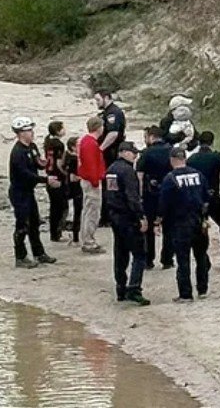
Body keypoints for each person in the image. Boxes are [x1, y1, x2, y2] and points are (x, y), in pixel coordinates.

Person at [158, 147, 211, 302]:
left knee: (183, 259)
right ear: (185, 158)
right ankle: (202, 289)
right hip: (199, 221)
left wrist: (158, 220)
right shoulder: (198, 174)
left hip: (180, 223)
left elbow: (164, 202)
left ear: (172, 160)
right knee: (201, 256)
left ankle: (185, 294)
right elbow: (206, 197)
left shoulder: (170, 178)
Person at [103, 141, 150, 305]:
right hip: (128, 217)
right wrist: (141, 216)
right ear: (122, 152)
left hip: (115, 215)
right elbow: (133, 197)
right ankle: (134, 288)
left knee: (120, 253)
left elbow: (108, 194)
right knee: (139, 254)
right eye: (132, 152)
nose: (135, 156)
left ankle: (120, 288)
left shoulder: (111, 169)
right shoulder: (127, 171)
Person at [8, 117, 58, 268]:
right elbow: (25, 174)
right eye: (28, 130)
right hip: (19, 192)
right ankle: (20, 256)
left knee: (34, 222)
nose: (31, 133)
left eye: (31, 130)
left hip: (29, 192)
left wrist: (45, 163)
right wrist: (45, 180)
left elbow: (38, 163)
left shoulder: (32, 147)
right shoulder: (17, 153)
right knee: (22, 224)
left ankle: (39, 253)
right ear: (20, 133)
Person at [187, 130, 220, 266]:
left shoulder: (192, 159)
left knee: (201, 229)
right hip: (214, 198)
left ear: (199, 142)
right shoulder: (215, 157)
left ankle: (203, 259)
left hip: (197, 199)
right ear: (212, 142)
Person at [135, 126, 173, 269]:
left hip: (150, 193)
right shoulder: (171, 151)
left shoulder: (146, 153)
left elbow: (139, 176)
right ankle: (167, 259)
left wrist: (139, 195)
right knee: (169, 227)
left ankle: (148, 259)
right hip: (169, 194)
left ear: (151, 137)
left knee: (148, 227)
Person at [97, 90, 127, 227]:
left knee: (110, 183)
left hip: (111, 153)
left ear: (106, 98)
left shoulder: (113, 113)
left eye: (98, 100)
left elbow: (113, 134)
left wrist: (100, 149)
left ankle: (109, 215)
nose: (96, 103)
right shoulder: (107, 113)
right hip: (109, 152)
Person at [77, 116, 107, 254]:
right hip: (91, 180)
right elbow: (91, 164)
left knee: (88, 210)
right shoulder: (90, 143)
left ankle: (86, 238)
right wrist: (95, 180)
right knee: (92, 211)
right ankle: (88, 241)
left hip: (88, 179)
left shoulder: (86, 141)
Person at [43, 121, 69, 242]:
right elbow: (59, 163)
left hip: (49, 174)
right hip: (57, 177)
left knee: (54, 206)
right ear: (58, 131)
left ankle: (54, 233)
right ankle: (57, 233)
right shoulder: (59, 145)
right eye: (63, 128)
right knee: (61, 207)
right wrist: (65, 174)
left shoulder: (47, 141)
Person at [65, 137, 84, 244]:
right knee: (77, 213)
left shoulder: (69, 156)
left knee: (77, 212)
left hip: (72, 188)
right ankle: (75, 236)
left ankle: (75, 235)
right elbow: (72, 177)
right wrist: (84, 177)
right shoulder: (73, 159)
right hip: (75, 189)